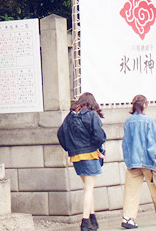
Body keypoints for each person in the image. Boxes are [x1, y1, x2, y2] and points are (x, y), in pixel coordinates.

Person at [120, 95, 156, 229]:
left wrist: (128, 161)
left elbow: (125, 144)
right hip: (148, 161)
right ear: (145, 105)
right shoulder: (148, 121)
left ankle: (128, 217)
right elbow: (152, 143)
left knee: (131, 191)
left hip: (133, 162)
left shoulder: (128, 122)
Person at [57, 92, 106, 231]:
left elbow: (60, 134)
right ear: (92, 103)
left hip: (76, 157)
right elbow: (99, 136)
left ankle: (92, 219)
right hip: (89, 155)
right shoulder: (91, 115)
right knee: (89, 189)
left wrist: (70, 148)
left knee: (87, 188)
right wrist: (97, 146)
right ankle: (85, 221)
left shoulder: (70, 117)